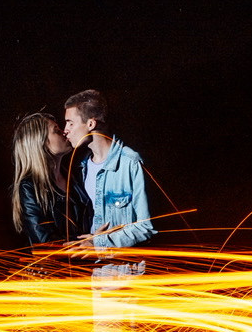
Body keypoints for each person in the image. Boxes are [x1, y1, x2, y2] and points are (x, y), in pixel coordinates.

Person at [62, 89, 156, 252]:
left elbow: (146, 227)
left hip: (124, 274)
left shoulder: (130, 163)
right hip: (92, 273)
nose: (66, 130)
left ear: (91, 124)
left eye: (70, 123)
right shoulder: (80, 168)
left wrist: (99, 243)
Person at [10, 112, 90, 246]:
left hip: (87, 261)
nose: (64, 132)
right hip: (60, 265)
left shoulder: (76, 176)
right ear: (41, 142)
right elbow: (45, 242)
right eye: (56, 131)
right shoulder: (29, 187)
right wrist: (89, 242)